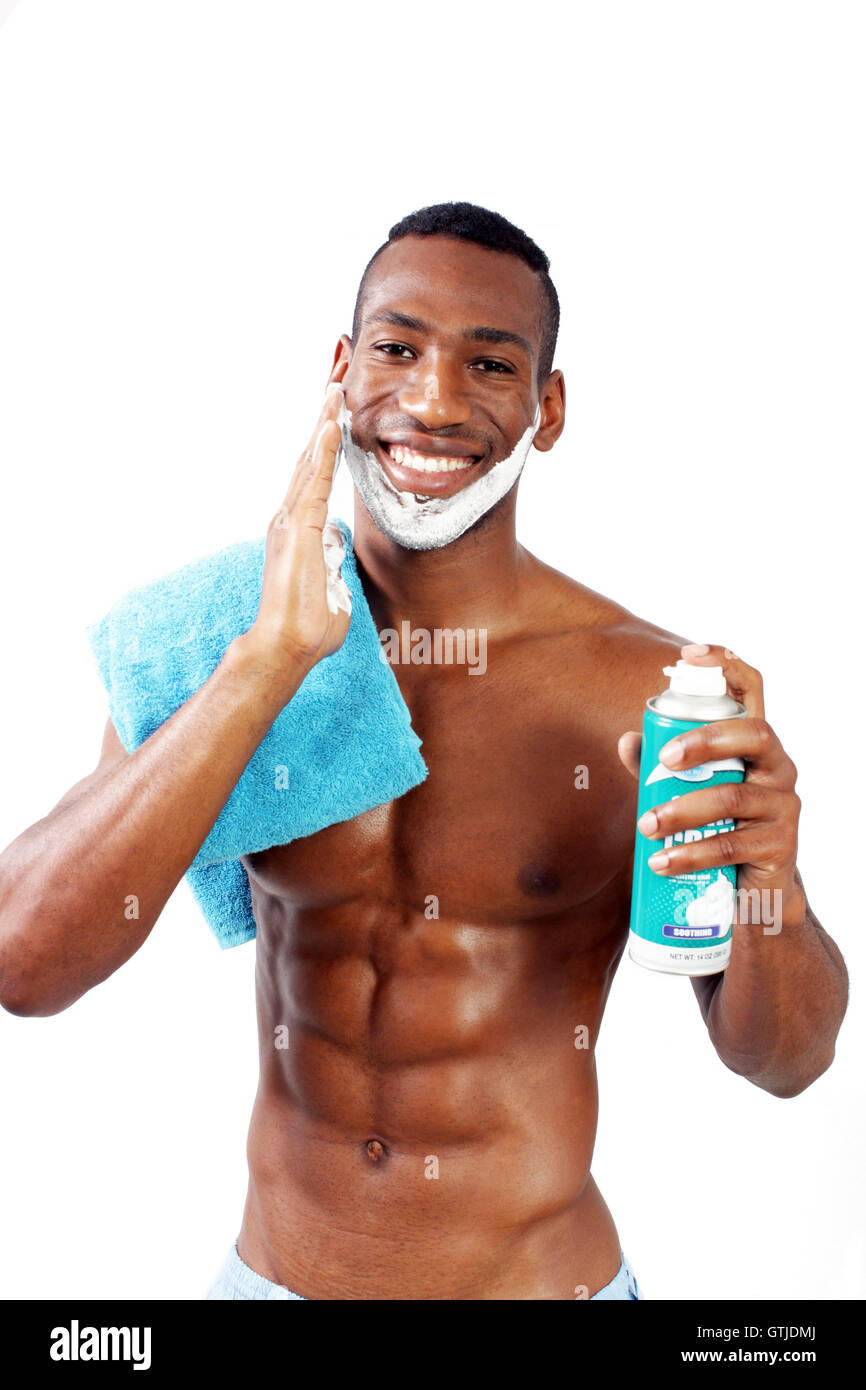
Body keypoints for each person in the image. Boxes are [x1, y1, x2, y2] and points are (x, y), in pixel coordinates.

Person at [0, 203, 848, 1301]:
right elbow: (25, 963)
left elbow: (784, 1062)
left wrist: (766, 880)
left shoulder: (644, 692)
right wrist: (266, 662)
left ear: (545, 409)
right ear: (341, 369)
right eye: (397, 348)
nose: (435, 399)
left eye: (488, 362)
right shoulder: (216, 639)